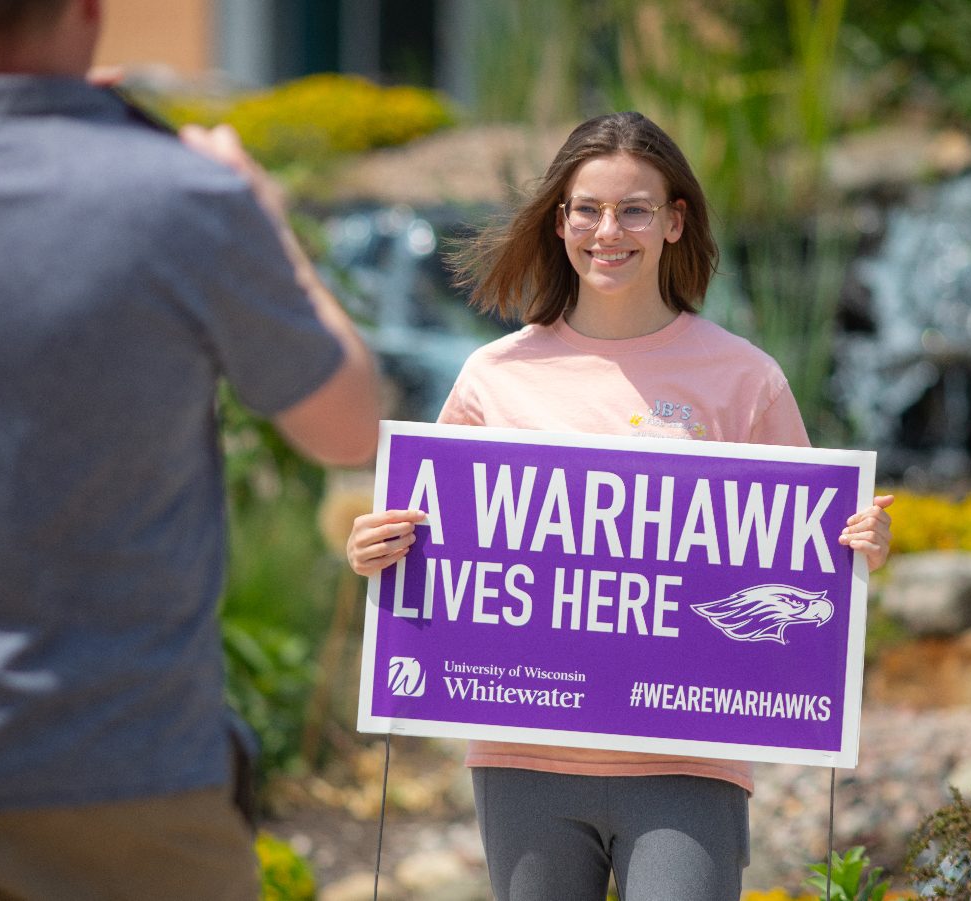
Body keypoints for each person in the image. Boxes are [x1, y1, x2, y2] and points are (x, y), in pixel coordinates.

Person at [0, 0, 380, 897]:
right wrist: (262, 215)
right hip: (131, 771)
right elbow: (347, 426)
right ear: (92, 9)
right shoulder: (186, 199)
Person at [346, 112, 893, 901]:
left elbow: (806, 559)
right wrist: (378, 550)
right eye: (588, 209)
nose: (610, 230)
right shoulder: (492, 377)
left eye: (634, 208)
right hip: (525, 757)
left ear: (675, 221)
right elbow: (434, 547)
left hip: (688, 760)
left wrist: (864, 544)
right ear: (560, 220)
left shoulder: (746, 380)